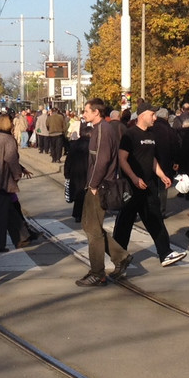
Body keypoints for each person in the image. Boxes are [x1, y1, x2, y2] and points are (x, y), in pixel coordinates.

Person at [115, 103, 187, 269]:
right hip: (132, 187)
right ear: (141, 115)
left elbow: (152, 159)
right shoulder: (130, 135)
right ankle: (118, 255)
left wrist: (162, 175)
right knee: (124, 223)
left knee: (155, 220)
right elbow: (122, 159)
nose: (155, 118)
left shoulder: (152, 135)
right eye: (152, 115)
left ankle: (165, 253)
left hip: (149, 186)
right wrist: (133, 177)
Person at [77, 98, 132, 286]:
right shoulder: (100, 129)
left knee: (93, 230)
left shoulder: (102, 130)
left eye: (86, 111)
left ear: (96, 113)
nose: (84, 114)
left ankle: (97, 272)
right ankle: (121, 256)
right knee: (89, 225)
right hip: (97, 185)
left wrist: (92, 185)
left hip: (99, 186)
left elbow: (102, 161)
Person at [0, 113, 30, 252]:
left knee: (9, 209)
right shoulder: (8, 140)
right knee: (1, 213)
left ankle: (22, 236)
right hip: (5, 180)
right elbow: (11, 159)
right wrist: (17, 174)